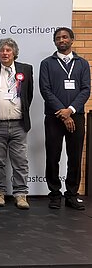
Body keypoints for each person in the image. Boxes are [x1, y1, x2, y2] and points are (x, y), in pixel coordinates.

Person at [0, 38, 33, 209]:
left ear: (14, 53)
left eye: (8, 50)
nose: (5, 53)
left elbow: (28, 96)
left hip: (19, 125)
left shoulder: (26, 69)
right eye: (2, 50)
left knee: (20, 161)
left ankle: (21, 194)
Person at [39, 27, 90, 210]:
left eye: (65, 37)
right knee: (53, 156)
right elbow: (45, 90)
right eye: (58, 38)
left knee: (74, 157)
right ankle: (54, 194)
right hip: (53, 117)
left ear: (72, 40)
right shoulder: (47, 63)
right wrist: (62, 111)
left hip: (76, 116)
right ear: (54, 42)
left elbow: (86, 90)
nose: (61, 40)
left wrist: (70, 110)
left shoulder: (82, 64)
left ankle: (72, 195)